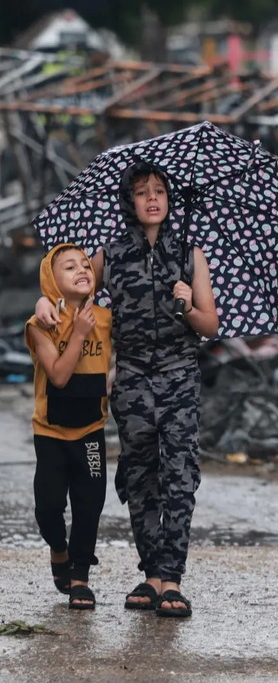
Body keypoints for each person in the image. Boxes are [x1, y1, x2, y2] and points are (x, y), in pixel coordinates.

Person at [35, 163, 218, 618]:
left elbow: (210, 325)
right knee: (139, 475)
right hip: (132, 377)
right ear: (129, 202)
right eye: (141, 192)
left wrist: (189, 305)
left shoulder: (190, 255)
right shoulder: (110, 253)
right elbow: (71, 291)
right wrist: (43, 302)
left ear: (170, 199)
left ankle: (172, 579)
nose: (152, 199)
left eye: (159, 191)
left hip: (178, 375)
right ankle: (151, 573)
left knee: (178, 475)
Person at [25, 244, 112, 610]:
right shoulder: (40, 324)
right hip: (51, 432)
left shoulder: (107, 319)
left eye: (85, 266)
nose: (81, 269)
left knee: (89, 505)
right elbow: (58, 377)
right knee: (48, 506)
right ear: (51, 282)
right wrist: (75, 332)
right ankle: (58, 549)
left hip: (91, 430)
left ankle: (80, 577)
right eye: (68, 267)